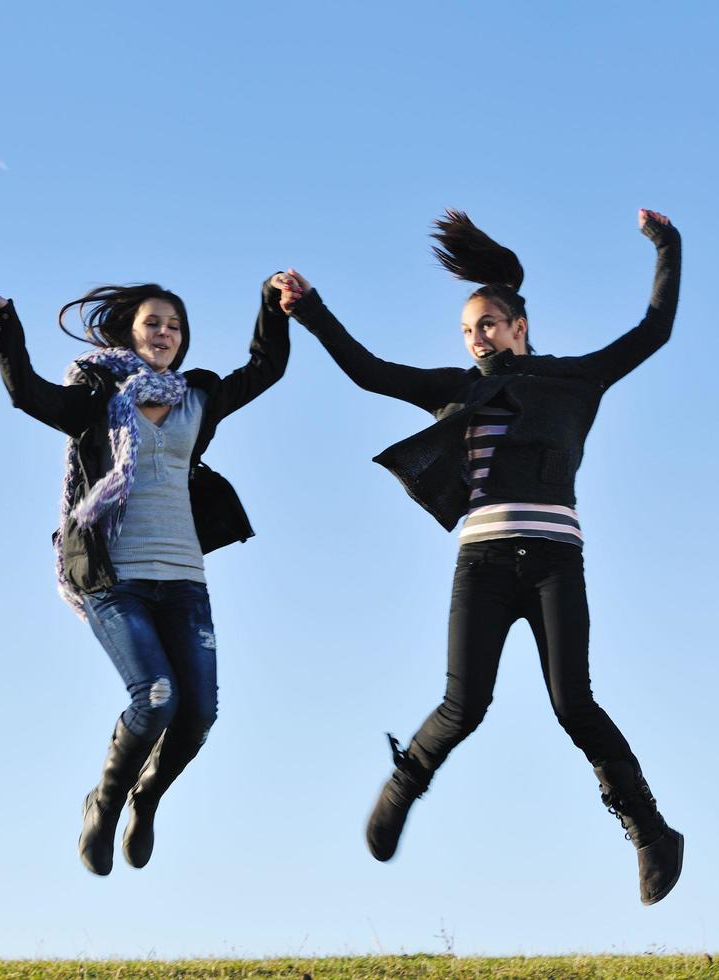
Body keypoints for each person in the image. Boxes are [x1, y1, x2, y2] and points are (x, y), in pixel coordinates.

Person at [284, 208, 684, 905]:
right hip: (484, 565)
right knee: (463, 704)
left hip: (556, 561)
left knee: (574, 705)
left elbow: (654, 331)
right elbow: (369, 372)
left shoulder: (576, 378)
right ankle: (402, 788)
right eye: (467, 331)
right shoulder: (455, 388)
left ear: (519, 327)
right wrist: (311, 310)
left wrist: (666, 245)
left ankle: (651, 833)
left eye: (488, 326)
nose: (477, 339)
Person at [0, 274, 292, 874]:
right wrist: (2, 321)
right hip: (112, 576)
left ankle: (145, 799)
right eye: (155, 323)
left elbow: (266, 365)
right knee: (155, 697)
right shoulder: (96, 395)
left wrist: (269, 302)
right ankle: (105, 801)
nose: (166, 334)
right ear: (130, 329)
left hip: (184, 579)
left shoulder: (197, 397)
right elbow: (26, 393)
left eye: (175, 326)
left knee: (199, 714)